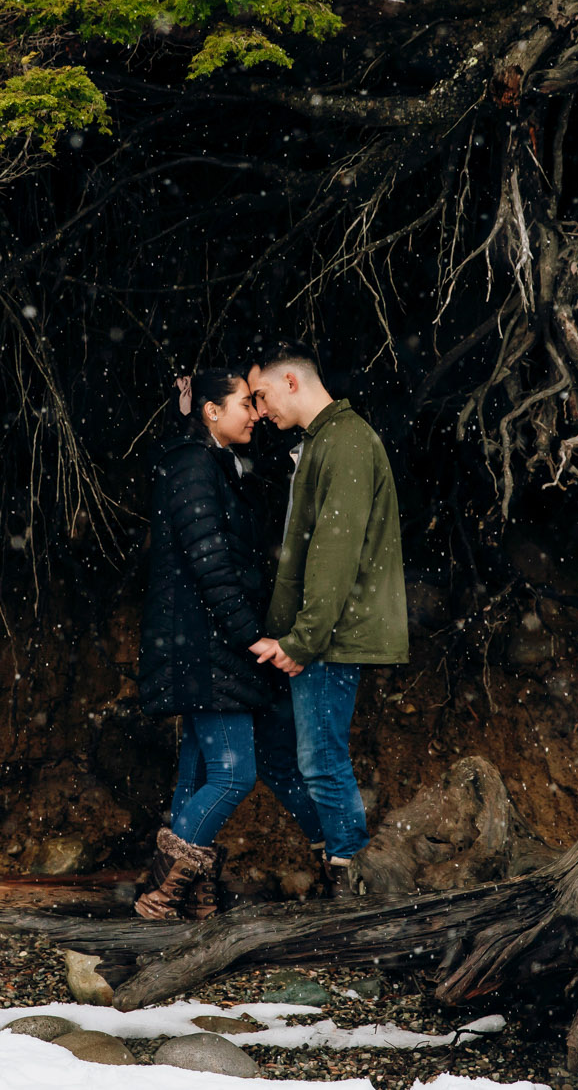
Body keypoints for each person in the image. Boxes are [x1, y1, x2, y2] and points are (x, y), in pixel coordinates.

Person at [135, 367, 327, 919]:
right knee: (233, 772)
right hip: (203, 648)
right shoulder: (194, 465)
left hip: (197, 645)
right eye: (245, 402)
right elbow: (211, 565)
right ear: (211, 411)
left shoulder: (207, 463)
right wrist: (252, 637)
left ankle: (190, 896)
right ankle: (159, 893)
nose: (255, 412)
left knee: (198, 770)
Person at [246, 343, 408, 898]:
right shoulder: (321, 442)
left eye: (262, 395)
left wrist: (305, 640)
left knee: (320, 760)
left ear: (291, 381)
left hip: (329, 639)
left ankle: (352, 888)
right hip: (308, 637)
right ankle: (334, 857)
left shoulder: (347, 441)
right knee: (272, 752)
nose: (259, 409)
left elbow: (334, 552)